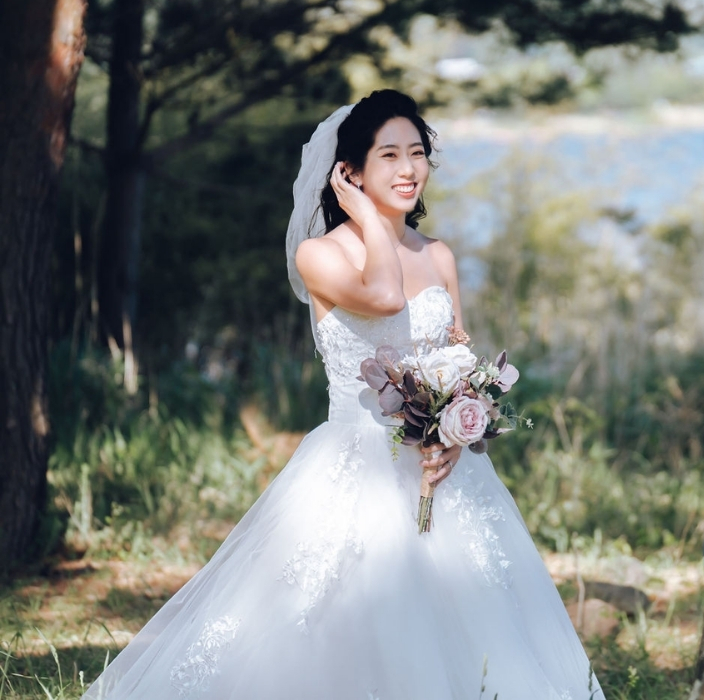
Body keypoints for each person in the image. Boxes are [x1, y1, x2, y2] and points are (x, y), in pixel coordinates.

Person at [82, 90, 603, 700]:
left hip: (442, 475)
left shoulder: (438, 256)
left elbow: (462, 361)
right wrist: (370, 223)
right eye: (388, 156)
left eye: (418, 153)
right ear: (349, 173)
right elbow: (382, 295)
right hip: (356, 464)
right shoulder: (319, 255)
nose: (409, 169)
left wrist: (462, 432)